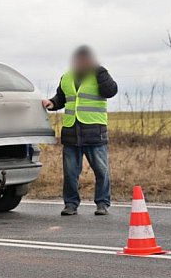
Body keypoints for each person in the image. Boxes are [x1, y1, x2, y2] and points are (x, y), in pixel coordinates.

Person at [42, 46, 118, 216]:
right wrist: (51, 103)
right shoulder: (66, 77)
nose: (81, 62)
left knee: (101, 171)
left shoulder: (99, 74)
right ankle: (70, 204)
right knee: (70, 173)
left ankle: (102, 204)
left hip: (94, 132)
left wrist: (100, 71)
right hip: (71, 133)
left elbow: (110, 91)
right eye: (79, 59)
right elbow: (61, 99)